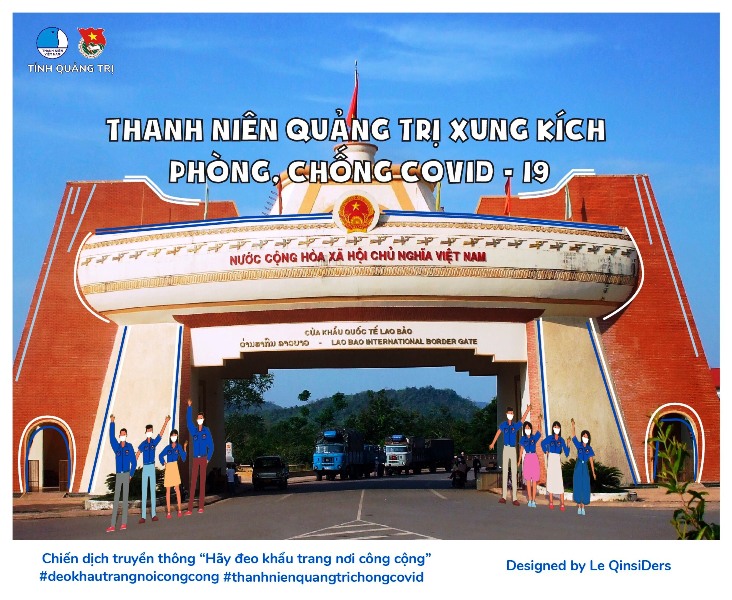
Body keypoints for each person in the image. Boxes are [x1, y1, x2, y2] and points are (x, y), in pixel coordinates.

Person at [489, 404, 531, 505]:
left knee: (514, 472)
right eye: (509, 413)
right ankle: (503, 497)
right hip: (506, 449)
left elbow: (522, 421)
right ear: (506, 414)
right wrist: (493, 443)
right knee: (505, 472)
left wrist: (527, 410)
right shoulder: (503, 425)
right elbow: (498, 433)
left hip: (513, 449)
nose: (511, 415)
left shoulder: (514, 426)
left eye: (512, 413)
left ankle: (514, 498)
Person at [136, 416, 170, 524]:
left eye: (151, 431)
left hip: (152, 466)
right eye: (148, 431)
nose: (149, 432)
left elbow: (161, 434)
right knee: (144, 491)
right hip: (145, 467)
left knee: (152, 491)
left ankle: (154, 514)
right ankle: (143, 516)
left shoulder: (154, 442)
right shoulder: (143, 444)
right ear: (145, 432)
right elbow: (137, 454)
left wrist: (165, 422)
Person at [106, 415, 137, 533]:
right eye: (121, 434)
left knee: (124, 500)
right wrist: (112, 422)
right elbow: (111, 438)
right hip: (119, 475)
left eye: (124, 434)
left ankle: (124, 523)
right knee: (116, 500)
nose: (122, 436)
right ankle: (112, 525)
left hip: (126, 474)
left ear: (126, 435)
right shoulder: (117, 447)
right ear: (119, 436)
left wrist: (131, 474)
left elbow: (134, 462)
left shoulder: (129, 447)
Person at [186, 398, 214, 515]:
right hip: (195, 458)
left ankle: (201, 506)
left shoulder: (206, 431)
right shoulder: (194, 431)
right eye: (198, 418)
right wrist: (189, 408)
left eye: (201, 418)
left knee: (202, 482)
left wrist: (208, 458)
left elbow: (211, 446)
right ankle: (190, 508)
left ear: (203, 419)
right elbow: (188, 423)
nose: (199, 420)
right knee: (193, 482)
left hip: (203, 458)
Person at [158, 429, 188, 518]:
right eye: (172, 435)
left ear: (177, 436)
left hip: (175, 467)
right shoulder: (168, 447)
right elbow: (160, 455)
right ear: (170, 437)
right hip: (169, 468)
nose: (174, 437)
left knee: (177, 489)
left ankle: (179, 510)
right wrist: (164, 463)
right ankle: (168, 512)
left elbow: (184, 458)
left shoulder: (178, 447)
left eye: (175, 435)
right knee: (167, 490)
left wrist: (185, 448)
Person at [569, 418, 596, 515]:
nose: (585, 437)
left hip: (585, 467)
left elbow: (591, 461)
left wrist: (593, 472)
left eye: (586, 436)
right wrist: (573, 426)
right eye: (584, 436)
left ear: (588, 438)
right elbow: (573, 437)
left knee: (585, 485)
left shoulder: (589, 448)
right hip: (578, 466)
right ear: (582, 437)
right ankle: (579, 505)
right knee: (578, 484)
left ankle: (583, 506)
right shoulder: (579, 445)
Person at [541, 420, 570, 510]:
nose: (556, 428)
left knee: (559, 480)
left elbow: (566, 453)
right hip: (551, 458)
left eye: (558, 427)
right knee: (551, 479)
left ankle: (562, 503)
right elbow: (542, 443)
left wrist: (568, 444)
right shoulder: (550, 438)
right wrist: (546, 451)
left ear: (560, 429)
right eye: (555, 427)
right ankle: (551, 502)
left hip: (557, 459)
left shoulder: (561, 440)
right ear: (553, 428)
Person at [519, 413, 543, 508]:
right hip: (527, 458)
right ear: (524, 430)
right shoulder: (523, 439)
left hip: (534, 457)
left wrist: (539, 421)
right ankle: (529, 499)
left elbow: (539, 432)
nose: (527, 429)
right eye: (526, 428)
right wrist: (519, 460)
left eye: (529, 428)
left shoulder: (533, 437)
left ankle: (534, 499)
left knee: (534, 481)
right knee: (528, 480)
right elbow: (521, 450)